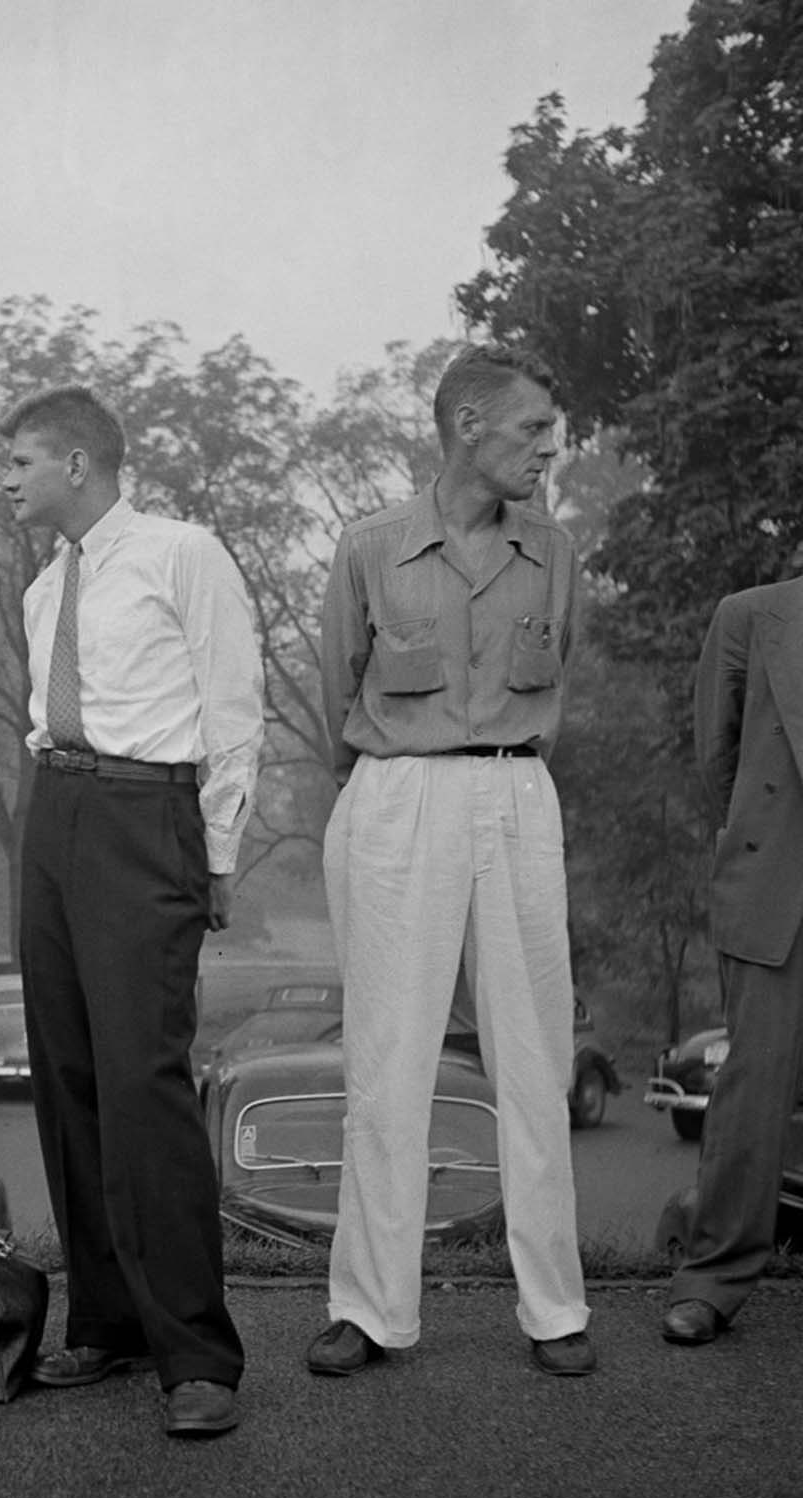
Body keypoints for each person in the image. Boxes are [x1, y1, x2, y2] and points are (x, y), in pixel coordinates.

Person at [310, 344, 594, 1379]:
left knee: (534, 1057)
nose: (547, 450)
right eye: (531, 430)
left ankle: (555, 1306)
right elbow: (334, 696)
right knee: (386, 1062)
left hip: (516, 794)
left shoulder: (553, 552)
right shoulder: (370, 546)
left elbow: (555, 666)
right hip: (396, 798)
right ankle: (370, 1307)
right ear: (467, 426)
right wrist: (377, 801)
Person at [1, 385, 264, 1438]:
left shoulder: (179, 554)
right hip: (53, 808)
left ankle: (197, 1355)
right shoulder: (41, 590)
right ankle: (104, 1321)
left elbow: (233, 706)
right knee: (64, 1074)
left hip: (143, 814)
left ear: (76, 462)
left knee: (142, 1078)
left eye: (19, 459)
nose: (7, 477)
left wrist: (220, 850)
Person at [661, 576, 803, 1345]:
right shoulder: (749, 615)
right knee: (754, 1085)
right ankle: (712, 1280)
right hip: (781, 882)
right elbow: (718, 759)